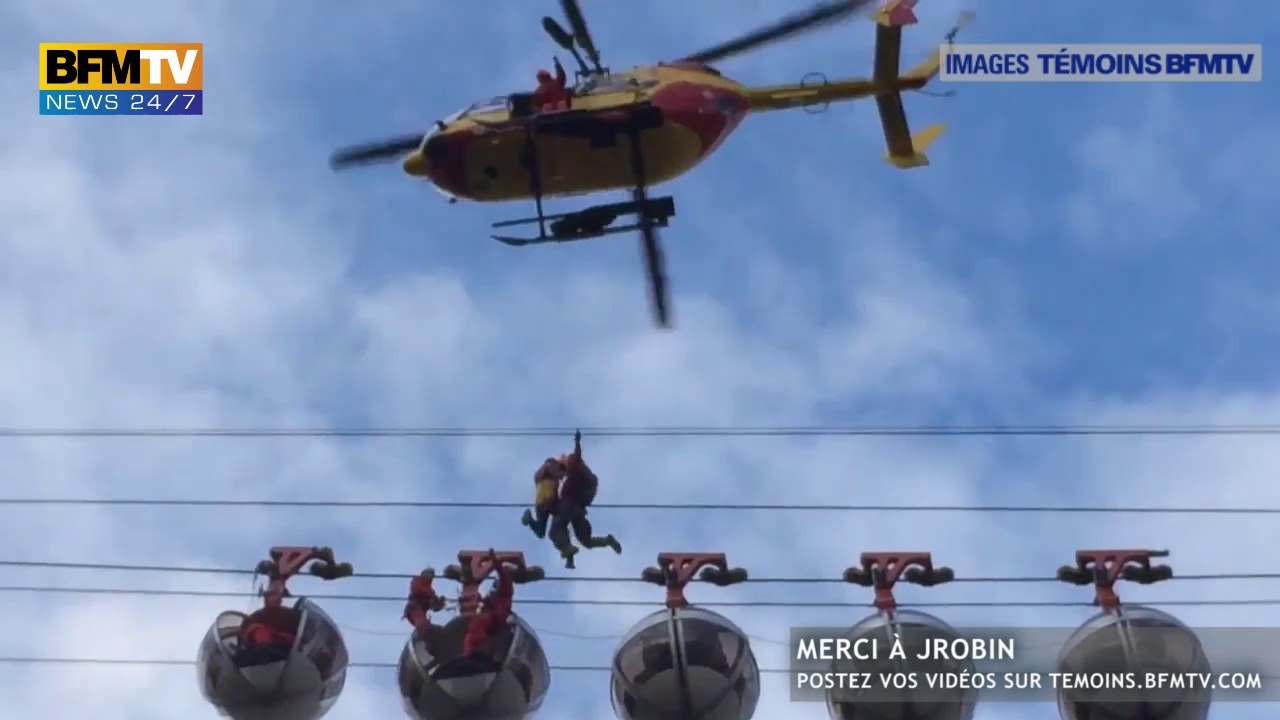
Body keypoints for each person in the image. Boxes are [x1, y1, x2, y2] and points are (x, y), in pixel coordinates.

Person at [548, 430, 622, 569]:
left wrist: (577, 442)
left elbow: (576, 456)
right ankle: (607, 541)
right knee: (586, 541)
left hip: (569, 506)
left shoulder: (575, 469)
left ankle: (568, 552)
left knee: (556, 530)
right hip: (578, 510)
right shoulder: (581, 475)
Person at [462, 553, 514, 657]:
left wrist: (496, 562)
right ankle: (476, 651)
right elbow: (490, 602)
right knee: (476, 628)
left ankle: (470, 652)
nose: (496, 586)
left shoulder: (506, 587)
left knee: (476, 625)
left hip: (496, 616)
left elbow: (504, 576)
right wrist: (481, 599)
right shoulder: (499, 595)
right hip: (495, 617)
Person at [522, 456, 566, 539]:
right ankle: (562, 533)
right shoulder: (549, 466)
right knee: (562, 515)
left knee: (541, 532)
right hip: (546, 500)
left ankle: (530, 519)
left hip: (541, 502)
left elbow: (554, 492)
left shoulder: (541, 474)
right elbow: (552, 471)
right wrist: (565, 473)